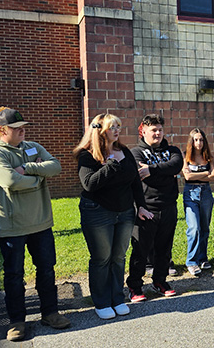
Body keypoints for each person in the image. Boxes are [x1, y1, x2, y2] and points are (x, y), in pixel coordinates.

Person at [0, 107, 70, 341]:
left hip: (41, 222)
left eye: (23, 127)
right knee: (13, 275)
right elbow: (10, 180)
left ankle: (50, 313)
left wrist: (30, 168)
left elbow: (56, 166)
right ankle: (17, 321)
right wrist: (40, 176)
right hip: (12, 226)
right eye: (16, 128)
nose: (22, 131)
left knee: (47, 270)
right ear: (1, 130)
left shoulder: (32, 146)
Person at [73, 114, 153, 319]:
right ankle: (101, 302)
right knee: (102, 258)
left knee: (118, 257)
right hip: (97, 212)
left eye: (118, 126)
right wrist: (109, 166)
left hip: (124, 212)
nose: (117, 130)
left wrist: (141, 207)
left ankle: (117, 298)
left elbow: (135, 182)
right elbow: (89, 184)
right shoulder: (87, 155)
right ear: (100, 130)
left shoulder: (124, 151)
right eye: (112, 127)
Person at [126, 114, 183, 300]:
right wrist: (166, 173)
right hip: (146, 209)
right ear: (143, 131)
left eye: (160, 129)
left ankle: (160, 281)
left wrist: (152, 170)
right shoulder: (135, 153)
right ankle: (135, 286)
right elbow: (140, 175)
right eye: (153, 130)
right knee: (140, 251)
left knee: (164, 249)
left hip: (168, 207)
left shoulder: (172, 150)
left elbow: (176, 165)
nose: (158, 133)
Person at [181, 129, 214, 276]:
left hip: (206, 193)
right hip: (191, 194)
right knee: (194, 228)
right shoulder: (185, 156)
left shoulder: (208, 157)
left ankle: (202, 258)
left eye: (201, 139)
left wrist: (198, 175)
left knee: (204, 227)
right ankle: (191, 261)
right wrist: (205, 174)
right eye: (196, 140)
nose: (199, 143)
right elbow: (187, 177)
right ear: (191, 141)